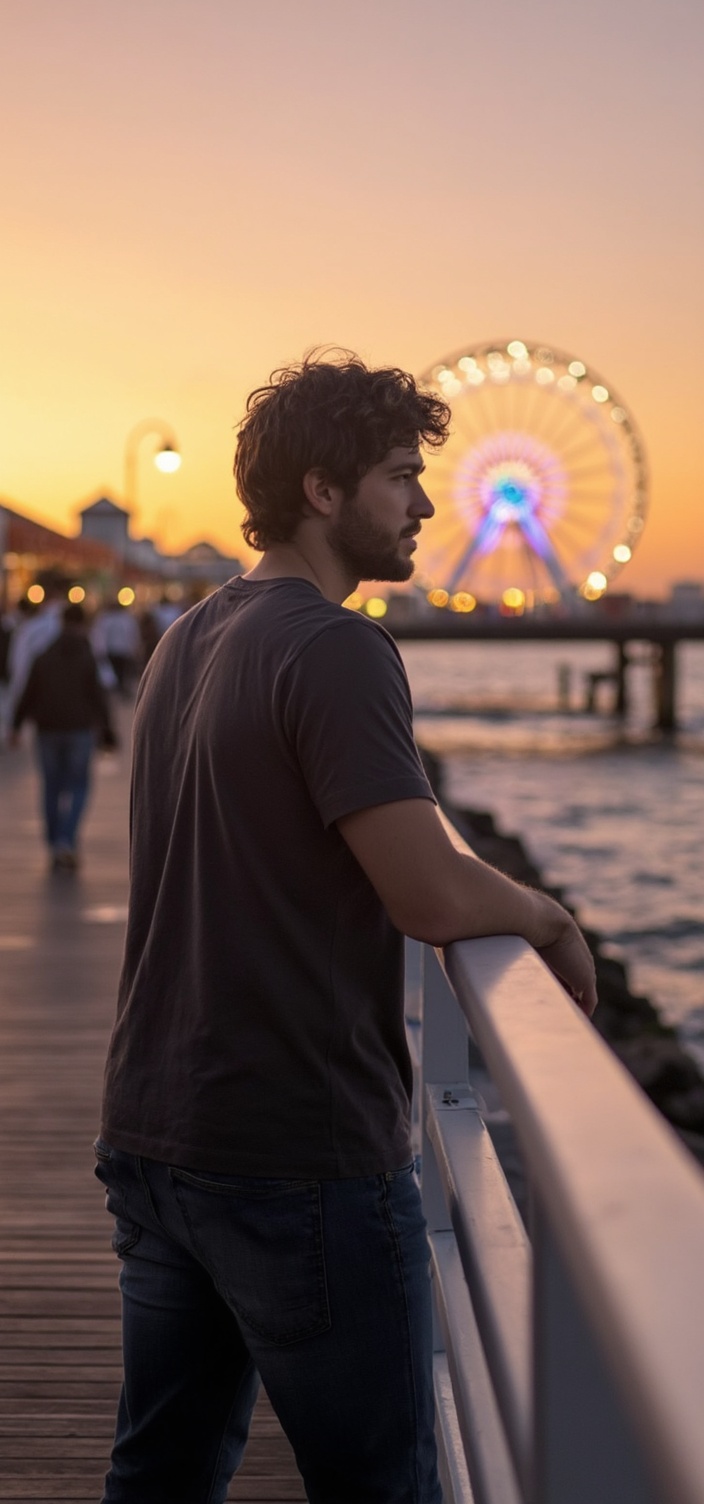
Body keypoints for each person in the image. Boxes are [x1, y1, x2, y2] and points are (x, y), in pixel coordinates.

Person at [95, 352, 597, 1504]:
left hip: (158, 1129)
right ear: (322, 492)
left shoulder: (186, 640)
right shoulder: (335, 646)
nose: (426, 503)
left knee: (157, 1476)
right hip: (295, 1151)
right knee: (383, 1486)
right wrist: (543, 913)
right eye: (398, 475)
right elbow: (427, 894)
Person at [10, 602, 115, 869]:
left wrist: (16, 725)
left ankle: (55, 840)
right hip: (79, 729)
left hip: (47, 729)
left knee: (51, 787)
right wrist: (108, 731)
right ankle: (66, 839)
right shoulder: (87, 656)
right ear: (83, 625)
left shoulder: (44, 655)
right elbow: (98, 697)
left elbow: (28, 693)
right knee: (79, 786)